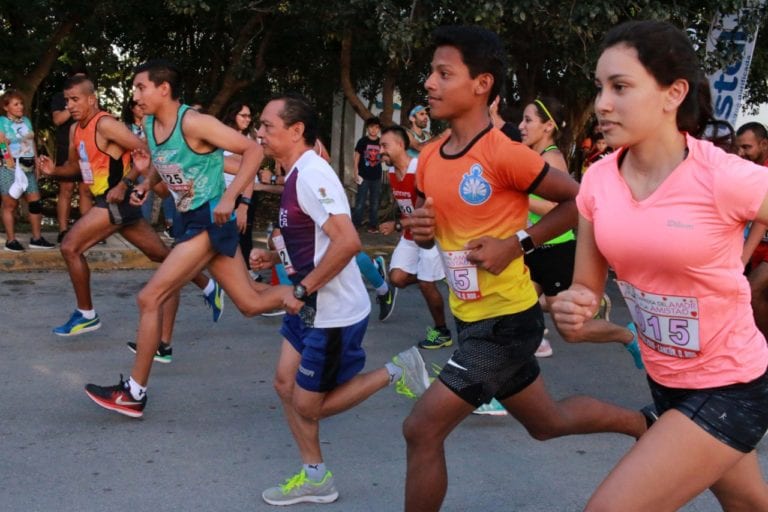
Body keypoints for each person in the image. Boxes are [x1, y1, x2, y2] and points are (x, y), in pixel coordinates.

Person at [403, 26, 650, 512]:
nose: (429, 83)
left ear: (481, 84)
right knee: (547, 424)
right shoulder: (429, 157)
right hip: (469, 318)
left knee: (420, 429)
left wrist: (515, 244)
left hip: (508, 322)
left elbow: (578, 200)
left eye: (443, 73)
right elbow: (433, 228)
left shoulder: (503, 153)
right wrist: (423, 230)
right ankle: (647, 425)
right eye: (431, 72)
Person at [551, 20, 768, 511]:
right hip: (665, 379)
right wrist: (573, 308)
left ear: (673, 94)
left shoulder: (723, 176)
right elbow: (586, 291)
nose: (602, 103)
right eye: (600, 87)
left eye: (621, 87)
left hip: (732, 384)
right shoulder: (599, 182)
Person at [248, 93, 430, 506]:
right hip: (309, 305)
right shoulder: (295, 173)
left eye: (266, 125)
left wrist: (301, 288)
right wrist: (276, 255)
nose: (259, 132)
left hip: (331, 312)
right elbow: (313, 236)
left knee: (308, 405)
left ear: (295, 131)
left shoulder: (313, 174)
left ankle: (398, 370)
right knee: (283, 383)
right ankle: (316, 476)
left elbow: (347, 242)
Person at [82, 60, 287, 418]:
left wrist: (231, 197)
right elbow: (169, 170)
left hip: (210, 219)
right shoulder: (149, 125)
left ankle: (134, 393)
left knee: (150, 297)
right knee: (250, 303)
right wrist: (144, 185)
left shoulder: (194, 122)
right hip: (192, 220)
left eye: (140, 87)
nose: (135, 95)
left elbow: (253, 151)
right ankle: (310, 297)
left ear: (164, 89)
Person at [38, 75, 222, 346]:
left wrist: (125, 184)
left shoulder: (106, 124)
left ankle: (86, 314)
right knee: (159, 254)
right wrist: (54, 171)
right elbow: (77, 168)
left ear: (92, 99)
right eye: (67, 100)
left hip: (116, 200)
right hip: (109, 200)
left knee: (70, 247)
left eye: (75, 99)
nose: (70, 105)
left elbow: (144, 151)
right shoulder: (77, 130)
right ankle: (209, 285)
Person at [517, 96, 641, 366]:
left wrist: (516, 198)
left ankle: (627, 335)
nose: (521, 126)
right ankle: (506, 378)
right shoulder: (533, 156)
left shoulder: (552, 159)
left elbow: (557, 209)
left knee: (572, 332)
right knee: (511, 310)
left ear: (547, 126)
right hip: (532, 247)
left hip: (556, 252)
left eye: (528, 120)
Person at [377, 125, 451, 348]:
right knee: (397, 278)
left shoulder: (421, 169)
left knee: (427, 284)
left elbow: (430, 209)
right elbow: (405, 205)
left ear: (400, 145)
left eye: (384, 145)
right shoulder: (391, 173)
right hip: (410, 234)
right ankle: (439, 273)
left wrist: (398, 224)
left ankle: (442, 332)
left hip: (431, 233)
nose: (381, 150)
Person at [0, 91, 55, 251]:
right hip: (10, 166)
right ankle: (11, 241)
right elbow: (2, 143)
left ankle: (36, 238)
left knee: (35, 203)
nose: (20, 107)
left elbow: (31, 143)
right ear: (6, 107)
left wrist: (37, 162)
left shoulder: (26, 121)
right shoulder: (2, 122)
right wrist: (8, 159)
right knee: (10, 205)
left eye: (21, 103)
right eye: (15, 104)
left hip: (28, 165)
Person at [51, 71, 94, 243]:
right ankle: (63, 230)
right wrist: (73, 104)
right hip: (66, 148)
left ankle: (88, 230)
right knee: (66, 190)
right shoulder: (59, 98)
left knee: (86, 190)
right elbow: (58, 120)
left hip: (88, 150)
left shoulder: (91, 99)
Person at [737, 122, 768, 339]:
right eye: (739, 147)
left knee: (752, 289)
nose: (741, 153)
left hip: (762, 249)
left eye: (747, 147)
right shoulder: (744, 169)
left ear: (764, 144)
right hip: (755, 247)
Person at [221, 100, 259, 274]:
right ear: (233, 114)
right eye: (243, 115)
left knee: (244, 232)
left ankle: (246, 271)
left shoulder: (252, 138)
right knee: (224, 232)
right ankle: (229, 271)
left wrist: (245, 203)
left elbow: (250, 171)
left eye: (249, 116)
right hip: (224, 191)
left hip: (246, 193)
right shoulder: (221, 136)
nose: (247, 119)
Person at [351, 116, 382, 233]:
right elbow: (357, 156)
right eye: (371, 127)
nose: (373, 130)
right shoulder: (362, 141)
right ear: (367, 128)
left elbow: (384, 155)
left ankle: (373, 226)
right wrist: (355, 171)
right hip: (363, 176)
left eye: (376, 128)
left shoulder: (381, 141)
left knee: (375, 202)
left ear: (379, 129)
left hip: (377, 177)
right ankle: (355, 225)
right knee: (360, 202)